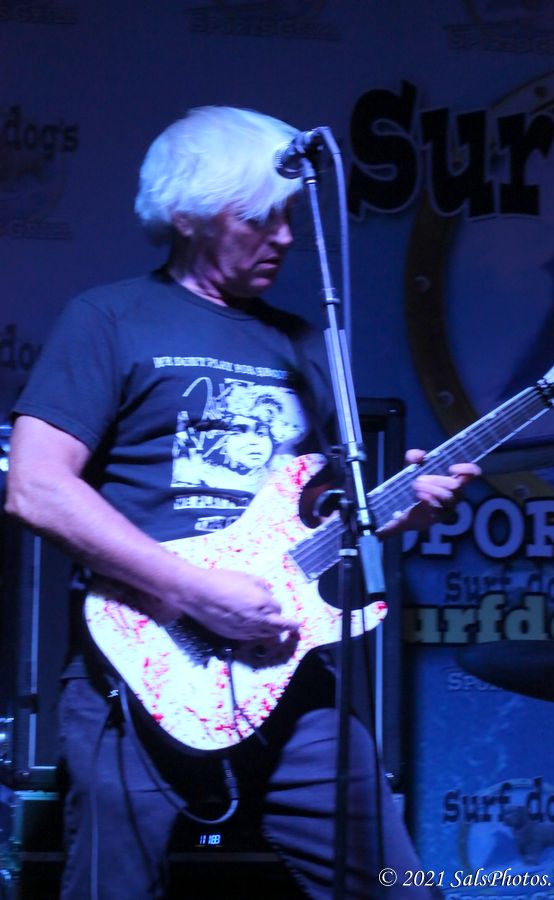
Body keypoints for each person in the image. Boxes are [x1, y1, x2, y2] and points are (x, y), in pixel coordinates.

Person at [5, 106, 480, 900]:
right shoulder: (109, 318)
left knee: (398, 885)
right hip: (143, 662)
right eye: (260, 218)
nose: (286, 238)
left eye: (290, 217)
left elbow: (317, 523)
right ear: (190, 216)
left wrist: (397, 513)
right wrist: (193, 591)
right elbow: (36, 486)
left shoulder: (304, 344)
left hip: (284, 669)